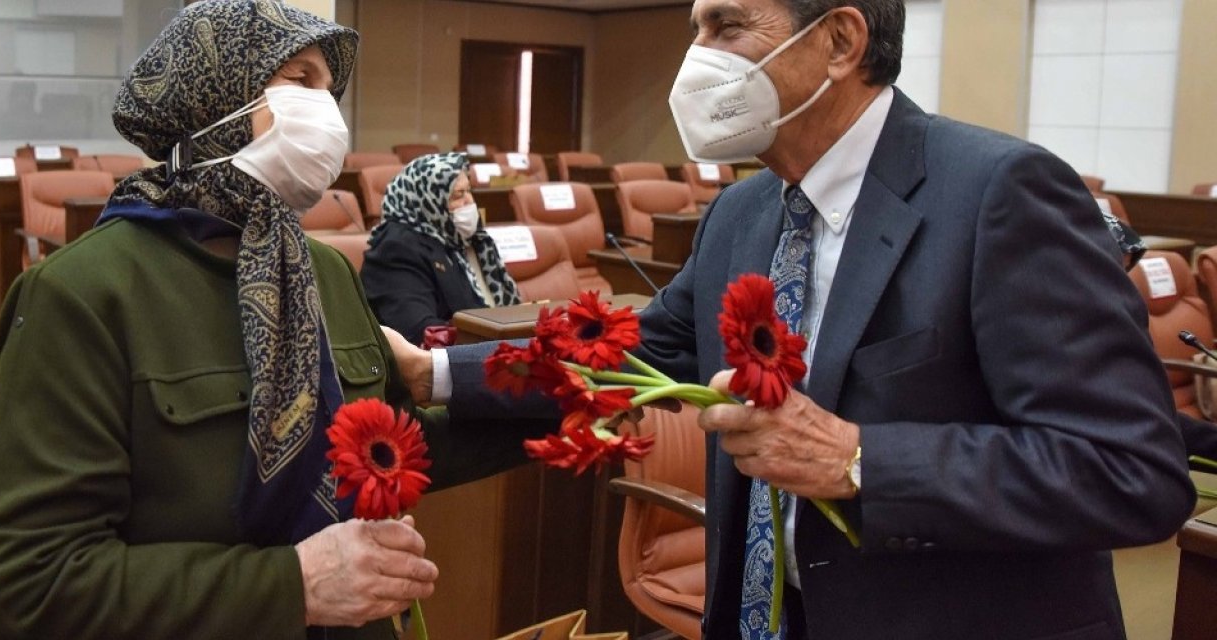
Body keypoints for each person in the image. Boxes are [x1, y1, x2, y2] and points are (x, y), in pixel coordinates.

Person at [388, 1, 1196, 638]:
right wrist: (443, 372)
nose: (694, 59)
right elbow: (634, 350)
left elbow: (1132, 473)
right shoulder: (740, 212)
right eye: (695, 28)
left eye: (726, 26)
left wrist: (860, 459)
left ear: (841, 40)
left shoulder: (1001, 194)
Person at [0, 2, 549, 639]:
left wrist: (568, 411)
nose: (328, 111)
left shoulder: (323, 271)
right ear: (214, 100)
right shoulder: (83, 295)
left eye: (330, 88)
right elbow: (29, 579)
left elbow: (393, 446)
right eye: (300, 81)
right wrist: (293, 586)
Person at [362, 153, 522, 347]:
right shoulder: (396, 248)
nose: (470, 202)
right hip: (444, 364)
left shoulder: (474, 241)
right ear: (427, 200)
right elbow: (422, 331)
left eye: (469, 191)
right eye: (458, 195)